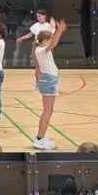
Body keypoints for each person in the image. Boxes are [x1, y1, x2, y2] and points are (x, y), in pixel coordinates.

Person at [33, 18, 66, 150]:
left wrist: (54, 28)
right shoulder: (42, 50)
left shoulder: (40, 49)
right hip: (48, 81)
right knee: (47, 111)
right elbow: (53, 43)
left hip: (46, 80)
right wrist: (60, 30)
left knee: (48, 110)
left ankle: (41, 137)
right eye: (49, 39)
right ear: (45, 41)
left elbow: (37, 70)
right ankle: (40, 138)